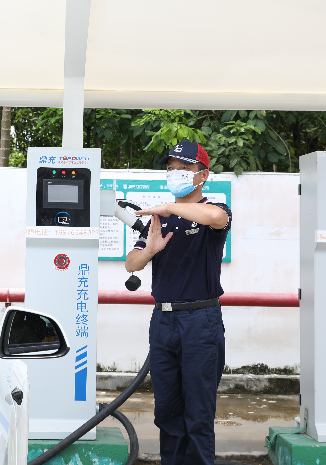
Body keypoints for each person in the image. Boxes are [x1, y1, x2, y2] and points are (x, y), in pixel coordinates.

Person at [124, 140, 232, 465]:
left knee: (198, 415)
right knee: (168, 414)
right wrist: (149, 251)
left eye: (184, 168)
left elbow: (215, 217)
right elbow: (132, 263)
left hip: (201, 321)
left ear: (202, 175)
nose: (175, 173)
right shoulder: (161, 221)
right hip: (163, 322)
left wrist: (169, 207)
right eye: (171, 168)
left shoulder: (214, 212)